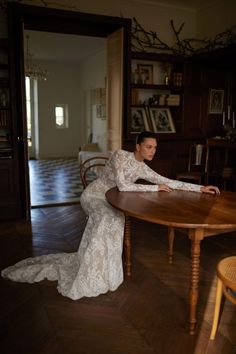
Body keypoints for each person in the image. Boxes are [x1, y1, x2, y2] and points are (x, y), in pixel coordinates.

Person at [1, 131, 220, 300]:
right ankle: (90, 273)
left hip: (112, 200)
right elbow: (123, 186)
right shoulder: (119, 156)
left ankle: (107, 275)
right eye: (149, 147)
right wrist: (155, 188)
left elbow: (168, 181)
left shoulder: (144, 169)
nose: (153, 151)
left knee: (117, 219)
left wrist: (199, 188)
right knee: (108, 219)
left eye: (155, 148)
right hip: (94, 196)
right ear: (138, 146)